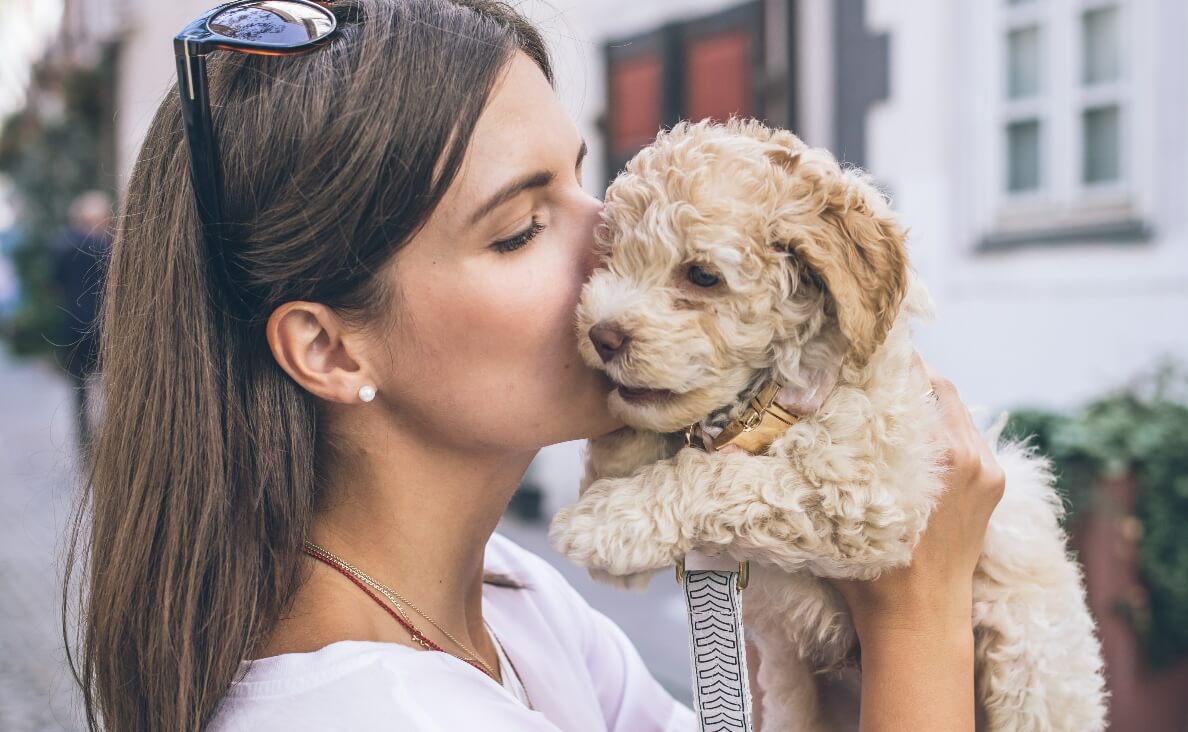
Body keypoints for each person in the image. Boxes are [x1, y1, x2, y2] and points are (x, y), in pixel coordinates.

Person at [65, 1, 1005, 730]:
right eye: (520, 228)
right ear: (330, 347)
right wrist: (917, 608)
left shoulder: (512, 598)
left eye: (583, 178)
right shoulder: (371, 712)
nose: (614, 240)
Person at [51, 190, 112, 450]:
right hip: (106, 327)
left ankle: (84, 442)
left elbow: (56, 284)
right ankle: (112, 438)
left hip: (73, 325)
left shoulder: (63, 247)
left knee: (79, 388)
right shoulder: (109, 246)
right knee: (112, 385)